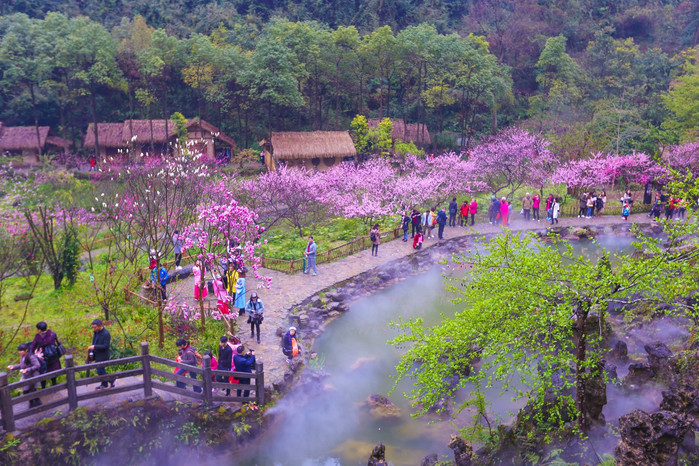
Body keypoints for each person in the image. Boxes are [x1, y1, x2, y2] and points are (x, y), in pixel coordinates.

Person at [7, 343, 42, 408]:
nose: (19, 352)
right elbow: (22, 365)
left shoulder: (31, 357)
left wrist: (27, 370)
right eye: (19, 350)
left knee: (27, 390)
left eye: (21, 350)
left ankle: (33, 403)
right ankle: (36, 402)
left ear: (26, 350)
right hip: (27, 376)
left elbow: (37, 365)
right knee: (31, 390)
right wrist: (13, 367)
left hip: (32, 376)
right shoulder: (22, 357)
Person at [30, 321, 62, 388]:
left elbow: (32, 347)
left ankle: (44, 388)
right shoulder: (52, 334)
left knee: (43, 373)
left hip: (43, 358)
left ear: (39, 330)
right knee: (53, 372)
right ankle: (54, 386)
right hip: (53, 356)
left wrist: (32, 354)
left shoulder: (38, 337)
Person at [89, 319, 114, 390]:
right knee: (100, 370)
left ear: (100, 326)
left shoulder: (106, 334)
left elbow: (106, 346)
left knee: (100, 370)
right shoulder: (96, 332)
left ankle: (112, 380)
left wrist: (95, 347)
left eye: (95, 327)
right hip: (97, 354)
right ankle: (104, 384)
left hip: (103, 355)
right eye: (93, 327)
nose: (93, 329)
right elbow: (94, 341)